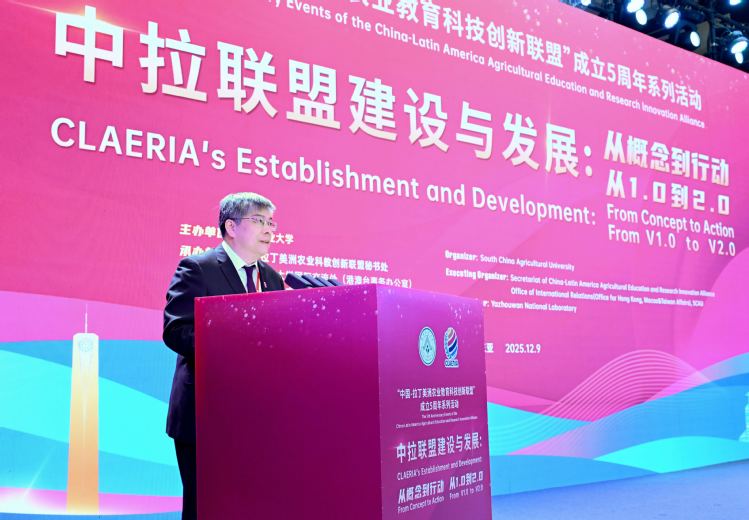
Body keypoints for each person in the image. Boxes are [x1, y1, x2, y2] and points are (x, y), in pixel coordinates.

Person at [162, 192, 285, 520]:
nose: (269, 230)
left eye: (271, 223)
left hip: (255, 416)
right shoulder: (198, 268)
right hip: (205, 414)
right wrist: (234, 347)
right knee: (205, 507)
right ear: (231, 227)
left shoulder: (271, 278)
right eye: (259, 221)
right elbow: (176, 330)